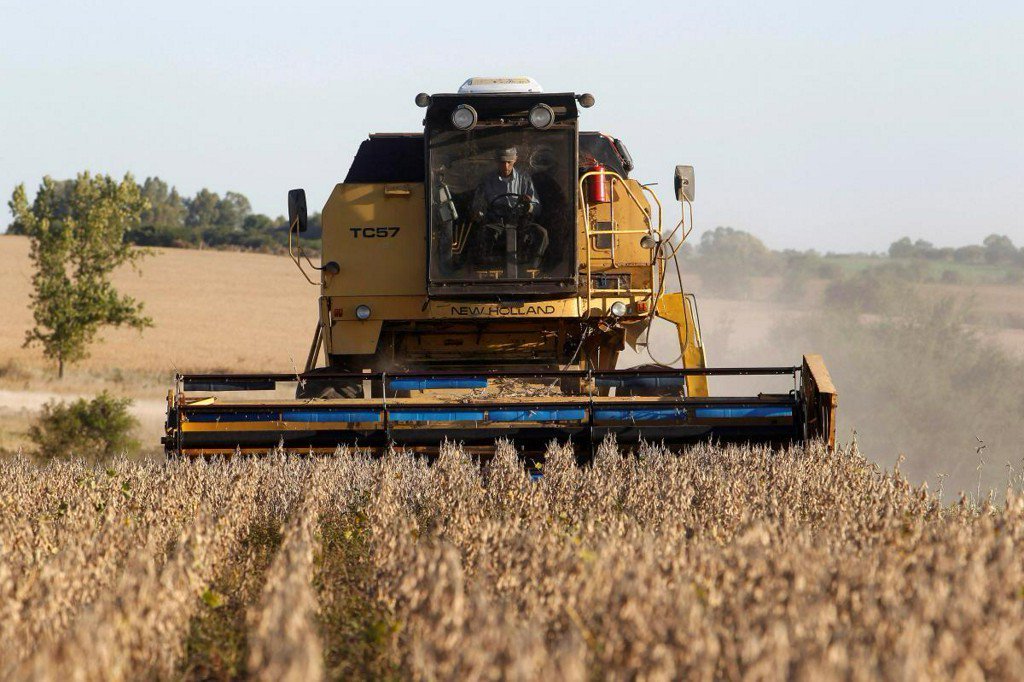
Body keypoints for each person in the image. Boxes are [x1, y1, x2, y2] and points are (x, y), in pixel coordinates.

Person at [471, 147, 541, 221]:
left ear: (515, 159)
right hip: (494, 222)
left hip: (518, 222)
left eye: (509, 162)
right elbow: (477, 206)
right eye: (502, 162)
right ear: (497, 161)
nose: (505, 166)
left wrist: (529, 206)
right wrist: (480, 214)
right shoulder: (487, 181)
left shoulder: (524, 179)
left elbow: (537, 208)